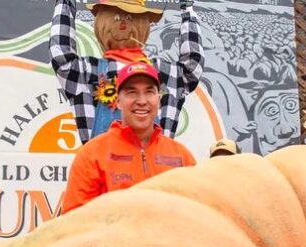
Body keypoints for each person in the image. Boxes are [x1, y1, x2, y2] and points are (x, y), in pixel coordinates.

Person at [49, 0, 204, 144]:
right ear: (101, 24)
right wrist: (65, 3)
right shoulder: (88, 72)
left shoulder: (164, 73)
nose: (123, 24)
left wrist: (187, 10)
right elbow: (61, 55)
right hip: (101, 170)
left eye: (131, 18)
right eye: (115, 17)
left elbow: (192, 65)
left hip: (156, 172)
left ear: (144, 25)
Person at [62, 62, 196, 213]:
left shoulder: (182, 157)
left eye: (149, 92)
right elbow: (73, 222)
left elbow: (198, 217)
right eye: (132, 92)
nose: (141, 101)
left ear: (159, 100)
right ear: (118, 101)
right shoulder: (91, 155)